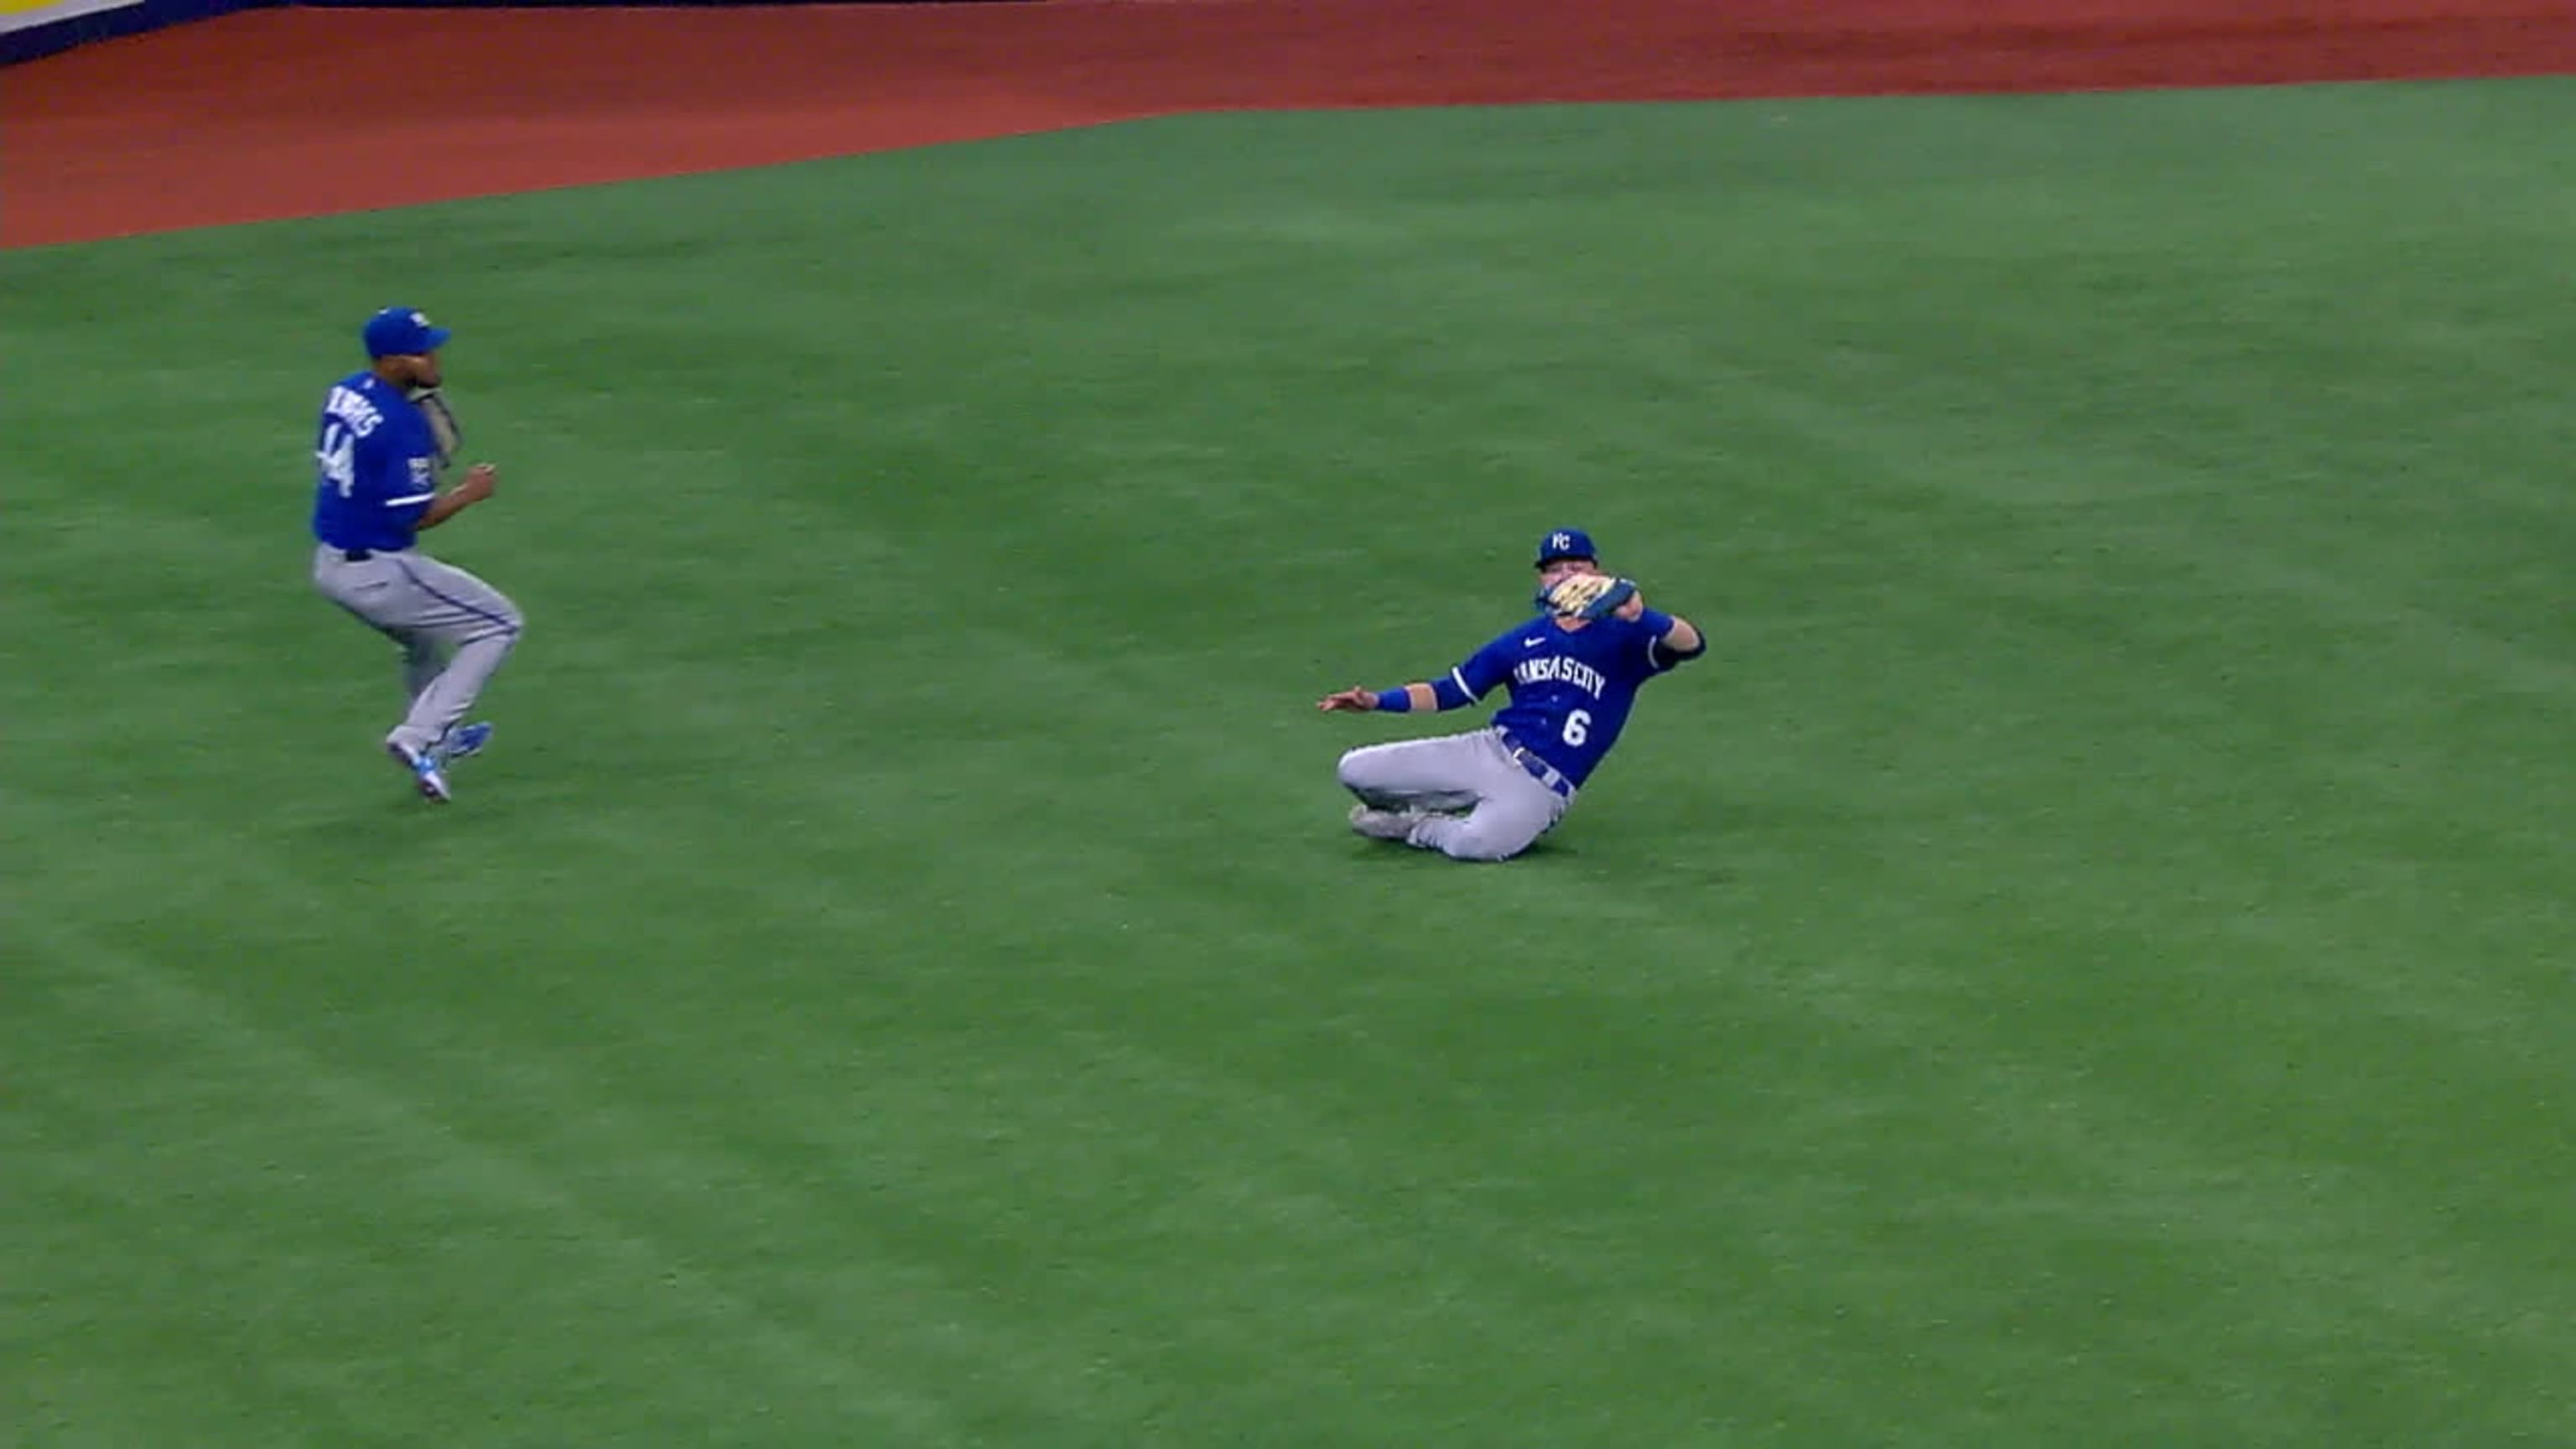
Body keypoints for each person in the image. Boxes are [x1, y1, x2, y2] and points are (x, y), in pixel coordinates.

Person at [1316, 527, 1705, 861]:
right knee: (1354, 769)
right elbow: (1449, 691)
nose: (1566, 575)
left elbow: (1691, 644)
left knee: (1477, 845)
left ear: (1597, 573)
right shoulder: (1523, 640)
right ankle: (1439, 798)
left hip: (1541, 787)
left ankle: (1418, 826)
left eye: (1577, 566)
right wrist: (1376, 701)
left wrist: (1640, 616)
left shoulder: (1626, 639)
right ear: (1542, 581)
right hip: (1488, 751)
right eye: (1555, 569)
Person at [309, 305, 523, 804]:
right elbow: (416, 517)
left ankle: (437, 745)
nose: (433, 359)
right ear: (391, 361)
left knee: (421, 642)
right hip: (380, 572)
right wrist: (470, 492)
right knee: (499, 624)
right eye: (421, 352)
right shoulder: (402, 426)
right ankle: (419, 736)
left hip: (330, 563)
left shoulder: (345, 391)